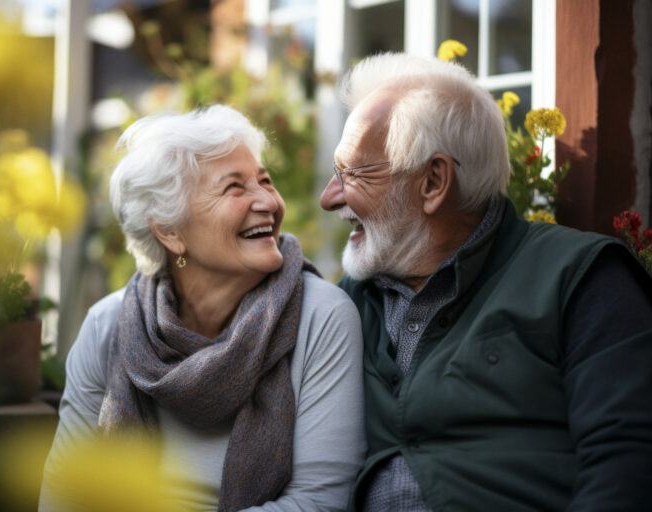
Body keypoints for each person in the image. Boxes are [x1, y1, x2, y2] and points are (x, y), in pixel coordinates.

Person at [319, 52, 652, 511]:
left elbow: (627, 465)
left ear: (433, 182)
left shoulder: (580, 277)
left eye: (352, 172)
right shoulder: (344, 304)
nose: (328, 197)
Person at [40, 105, 366, 511]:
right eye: (235, 187)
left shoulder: (321, 316)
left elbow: (318, 502)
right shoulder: (109, 326)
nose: (267, 200)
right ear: (170, 231)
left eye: (265, 181)